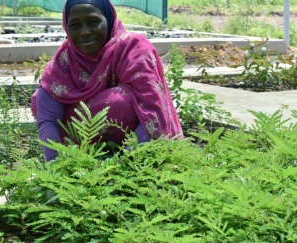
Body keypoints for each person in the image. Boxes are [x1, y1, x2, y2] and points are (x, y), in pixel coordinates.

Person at [30, 0, 183, 162]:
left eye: (93, 22)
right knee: (40, 99)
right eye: (75, 25)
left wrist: (120, 165)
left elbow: (154, 113)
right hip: (83, 148)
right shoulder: (67, 58)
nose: (84, 32)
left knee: (120, 100)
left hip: (135, 150)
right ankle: (77, 157)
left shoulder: (132, 49)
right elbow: (48, 119)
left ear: (108, 19)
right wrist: (55, 169)